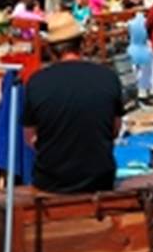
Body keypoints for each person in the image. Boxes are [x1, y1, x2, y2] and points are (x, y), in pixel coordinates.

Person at [21, 12, 122, 194]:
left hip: (51, 181)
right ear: (81, 43)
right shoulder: (108, 77)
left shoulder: (37, 83)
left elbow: (30, 138)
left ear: (50, 50)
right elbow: (114, 129)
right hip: (100, 179)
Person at [126, 5, 153, 103]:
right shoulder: (147, 22)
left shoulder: (130, 23)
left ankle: (137, 91)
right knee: (146, 73)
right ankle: (144, 91)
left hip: (133, 48)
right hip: (144, 48)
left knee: (135, 72)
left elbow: (128, 35)